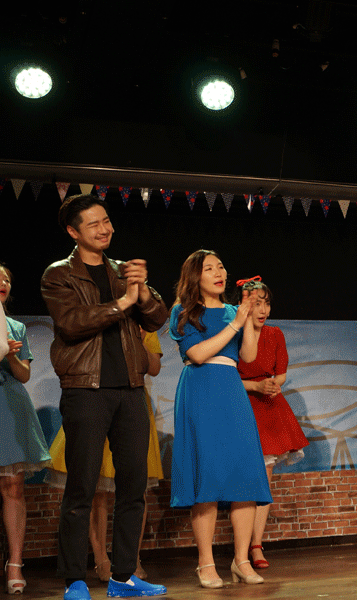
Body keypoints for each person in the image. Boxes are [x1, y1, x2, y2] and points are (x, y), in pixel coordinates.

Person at [40, 193, 168, 600]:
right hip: (85, 389)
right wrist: (122, 302)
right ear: (73, 232)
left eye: (107, 220)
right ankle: (74, 579)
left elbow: (158, 318)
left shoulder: (121, 270)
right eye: (94, 223)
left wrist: (141, 293)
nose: (105, 228)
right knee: (81, 487)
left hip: (130, 389)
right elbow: (71, 323)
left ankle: (123, 576)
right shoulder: (58, 274)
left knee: (133, 486)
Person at [169, 250, 272, 588]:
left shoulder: (232, 311)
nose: (218, 273)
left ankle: (241, 560)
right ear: (194, 276)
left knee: (244, 476)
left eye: (221, 266)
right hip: (201, 391)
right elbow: (197, 353)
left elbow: (248, 356)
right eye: (209, 268)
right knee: (207, 478)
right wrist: (236, 324)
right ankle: (206, 563)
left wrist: (250, 319)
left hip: (232, 391)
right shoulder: (184, 311)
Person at [45, 330, 165, 582]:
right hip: (91, 394)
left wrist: (140, 339)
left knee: (134, 488)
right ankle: (98, 560)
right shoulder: (91, 316)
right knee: (91, 488)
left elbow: (153, 367)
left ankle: (129, 565)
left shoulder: (141, 322)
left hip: (131, 398)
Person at [237, 278, 309, 569]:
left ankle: (256, 545)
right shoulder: (233, 333)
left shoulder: (275, 333)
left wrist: (272, 384)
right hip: (241, 406)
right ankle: (240, 548)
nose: (263, 310)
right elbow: (225, 376)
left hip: (268, 407)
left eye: (266, 303)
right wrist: (254, 386)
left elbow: (281, 373)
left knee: (264, 480)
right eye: (256, 303)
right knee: (242, 482)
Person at [1, 264, 50, 595]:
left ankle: (15, 563)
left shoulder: (15, 327)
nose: (2, 283)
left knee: (14, 485)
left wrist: (10, 357)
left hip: (9, 405)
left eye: (6, 278)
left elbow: (24, 375)